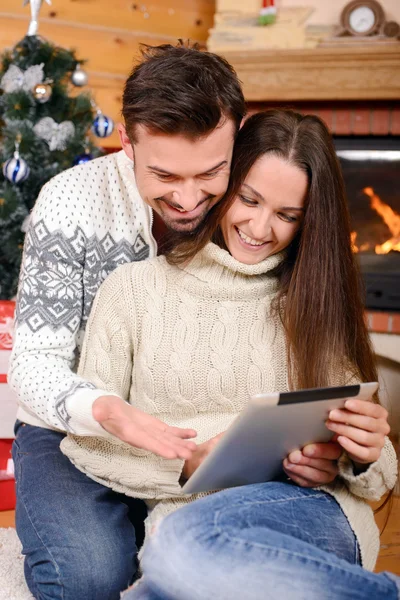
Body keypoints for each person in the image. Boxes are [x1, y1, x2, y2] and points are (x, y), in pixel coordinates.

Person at [59, 110, 397, 599]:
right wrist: (188, 463)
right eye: (249, 199)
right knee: (161, 570)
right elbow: (88, 444)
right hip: (186, 520)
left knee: (175, 547)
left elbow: (377, 466)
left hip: (309, 510)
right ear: (223, 184)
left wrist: (358, 456)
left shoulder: (313, 299)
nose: (260, 228)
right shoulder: (134, 291)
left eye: (287, 216)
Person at [9, 42, 246, 600]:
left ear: (238, 133)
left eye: (210, 172)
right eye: (164, 174)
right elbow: (35, 364)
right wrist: (107, 411)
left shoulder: (251, 197)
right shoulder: (69, 201)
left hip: (196, 423)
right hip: (70, 427)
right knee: (85, 577)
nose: (189, 200)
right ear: (126, 138)